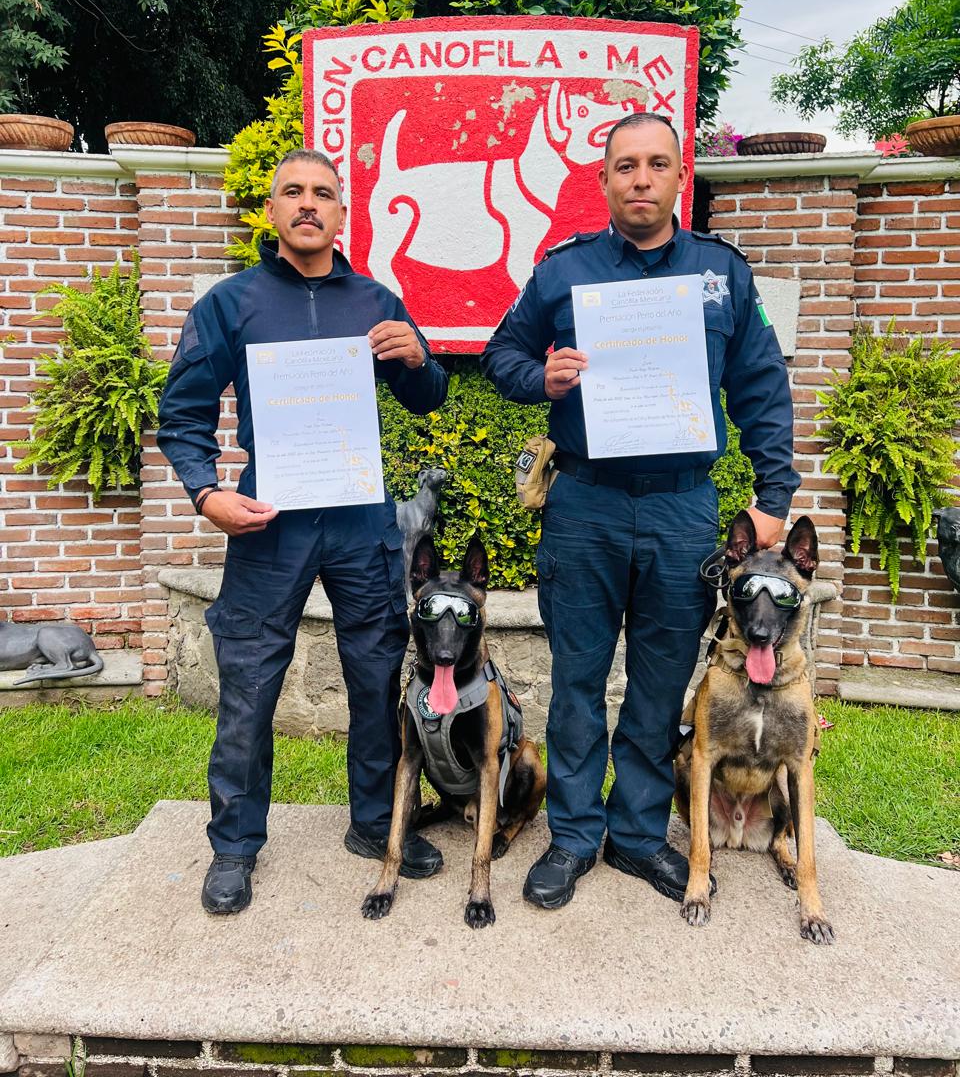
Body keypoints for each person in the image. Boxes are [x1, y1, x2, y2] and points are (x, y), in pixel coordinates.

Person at [480, 111, 800, 910]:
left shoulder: (721, 273)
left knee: (659, 686)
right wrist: (541, 378)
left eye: (658, 163)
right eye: (626, 166)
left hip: (682, 510)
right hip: (585, 505)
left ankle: (635, 834)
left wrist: (773, 498)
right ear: (604, 180)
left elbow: (761, 385)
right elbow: (500, 354)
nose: (642, 179)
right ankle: (574, 836)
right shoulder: (564, 272)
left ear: (680, 175)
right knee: (578, 682)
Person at [158, 148, 449, 915]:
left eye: (323, 192)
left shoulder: (376, 300)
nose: (309, 203)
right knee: (250, 684)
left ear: (343, 212)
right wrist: (206, 493)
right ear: (273, 209)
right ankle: (234, 846)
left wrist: (418, 359)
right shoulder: (232, 303)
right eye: (293, 191)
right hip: (270, 522)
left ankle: (373, 823)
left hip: (361, 520)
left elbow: (427, 396)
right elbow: (182, 415)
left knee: (374, 677)